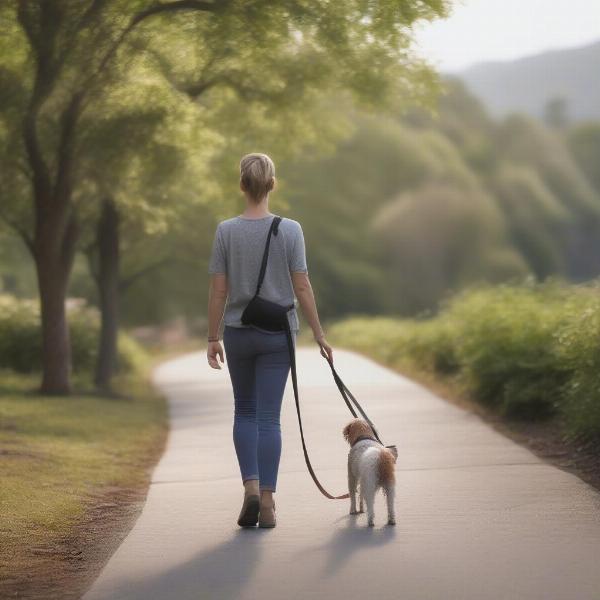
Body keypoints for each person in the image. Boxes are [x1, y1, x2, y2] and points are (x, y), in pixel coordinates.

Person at [206, 152, 333, 528]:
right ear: (271, 185)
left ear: (242, 185)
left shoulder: (225, 231)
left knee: (244, 411)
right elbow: (302, 285)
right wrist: (319, 334)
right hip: (279, 335)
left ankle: (249, 487)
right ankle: (266, 502)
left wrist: (213, 337)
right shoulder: (290, 229)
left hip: (239, 333)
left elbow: (218, 291)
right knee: (268, 418)